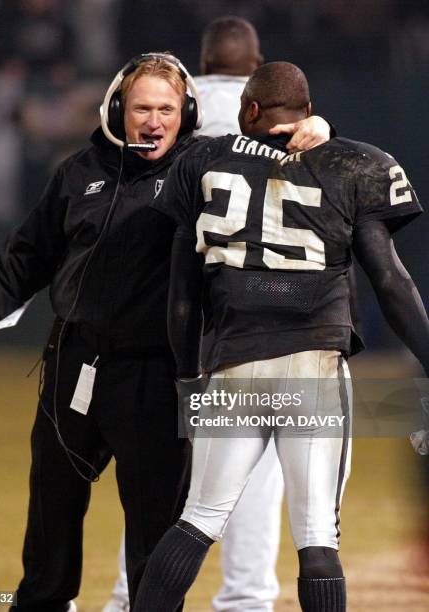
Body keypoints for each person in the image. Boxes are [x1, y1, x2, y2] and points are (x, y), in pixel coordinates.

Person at [0, 53, 331, 612]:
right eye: (142, 108)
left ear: (187, 114)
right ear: (116, 110)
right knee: (51, 509)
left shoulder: (205, 169)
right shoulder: (78, 171)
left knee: (155, 524)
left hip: (157, 374)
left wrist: (314, 130)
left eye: (166, 109)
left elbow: (274, 162)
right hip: (74, 362)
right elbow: (28, 252)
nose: (153, 120)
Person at [132, 61, 429, 612]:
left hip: (231, 362)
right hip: (312, 363)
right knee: (317, 536)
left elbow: (181, 295)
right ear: (309, 113)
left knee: (197, 519)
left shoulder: (200, 161)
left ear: (249, 110)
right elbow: (389, 279)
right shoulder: (353, 165)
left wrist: (186, 376)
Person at [102, 19, 332, 612]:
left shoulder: (183, 105)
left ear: (202, 60)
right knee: (257, 480)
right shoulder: (291, 124)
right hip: (259, 320)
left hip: (172, 317)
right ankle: (247, 597)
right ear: (254, 65)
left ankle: (132, 597)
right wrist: (320, 125)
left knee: (167, 485)